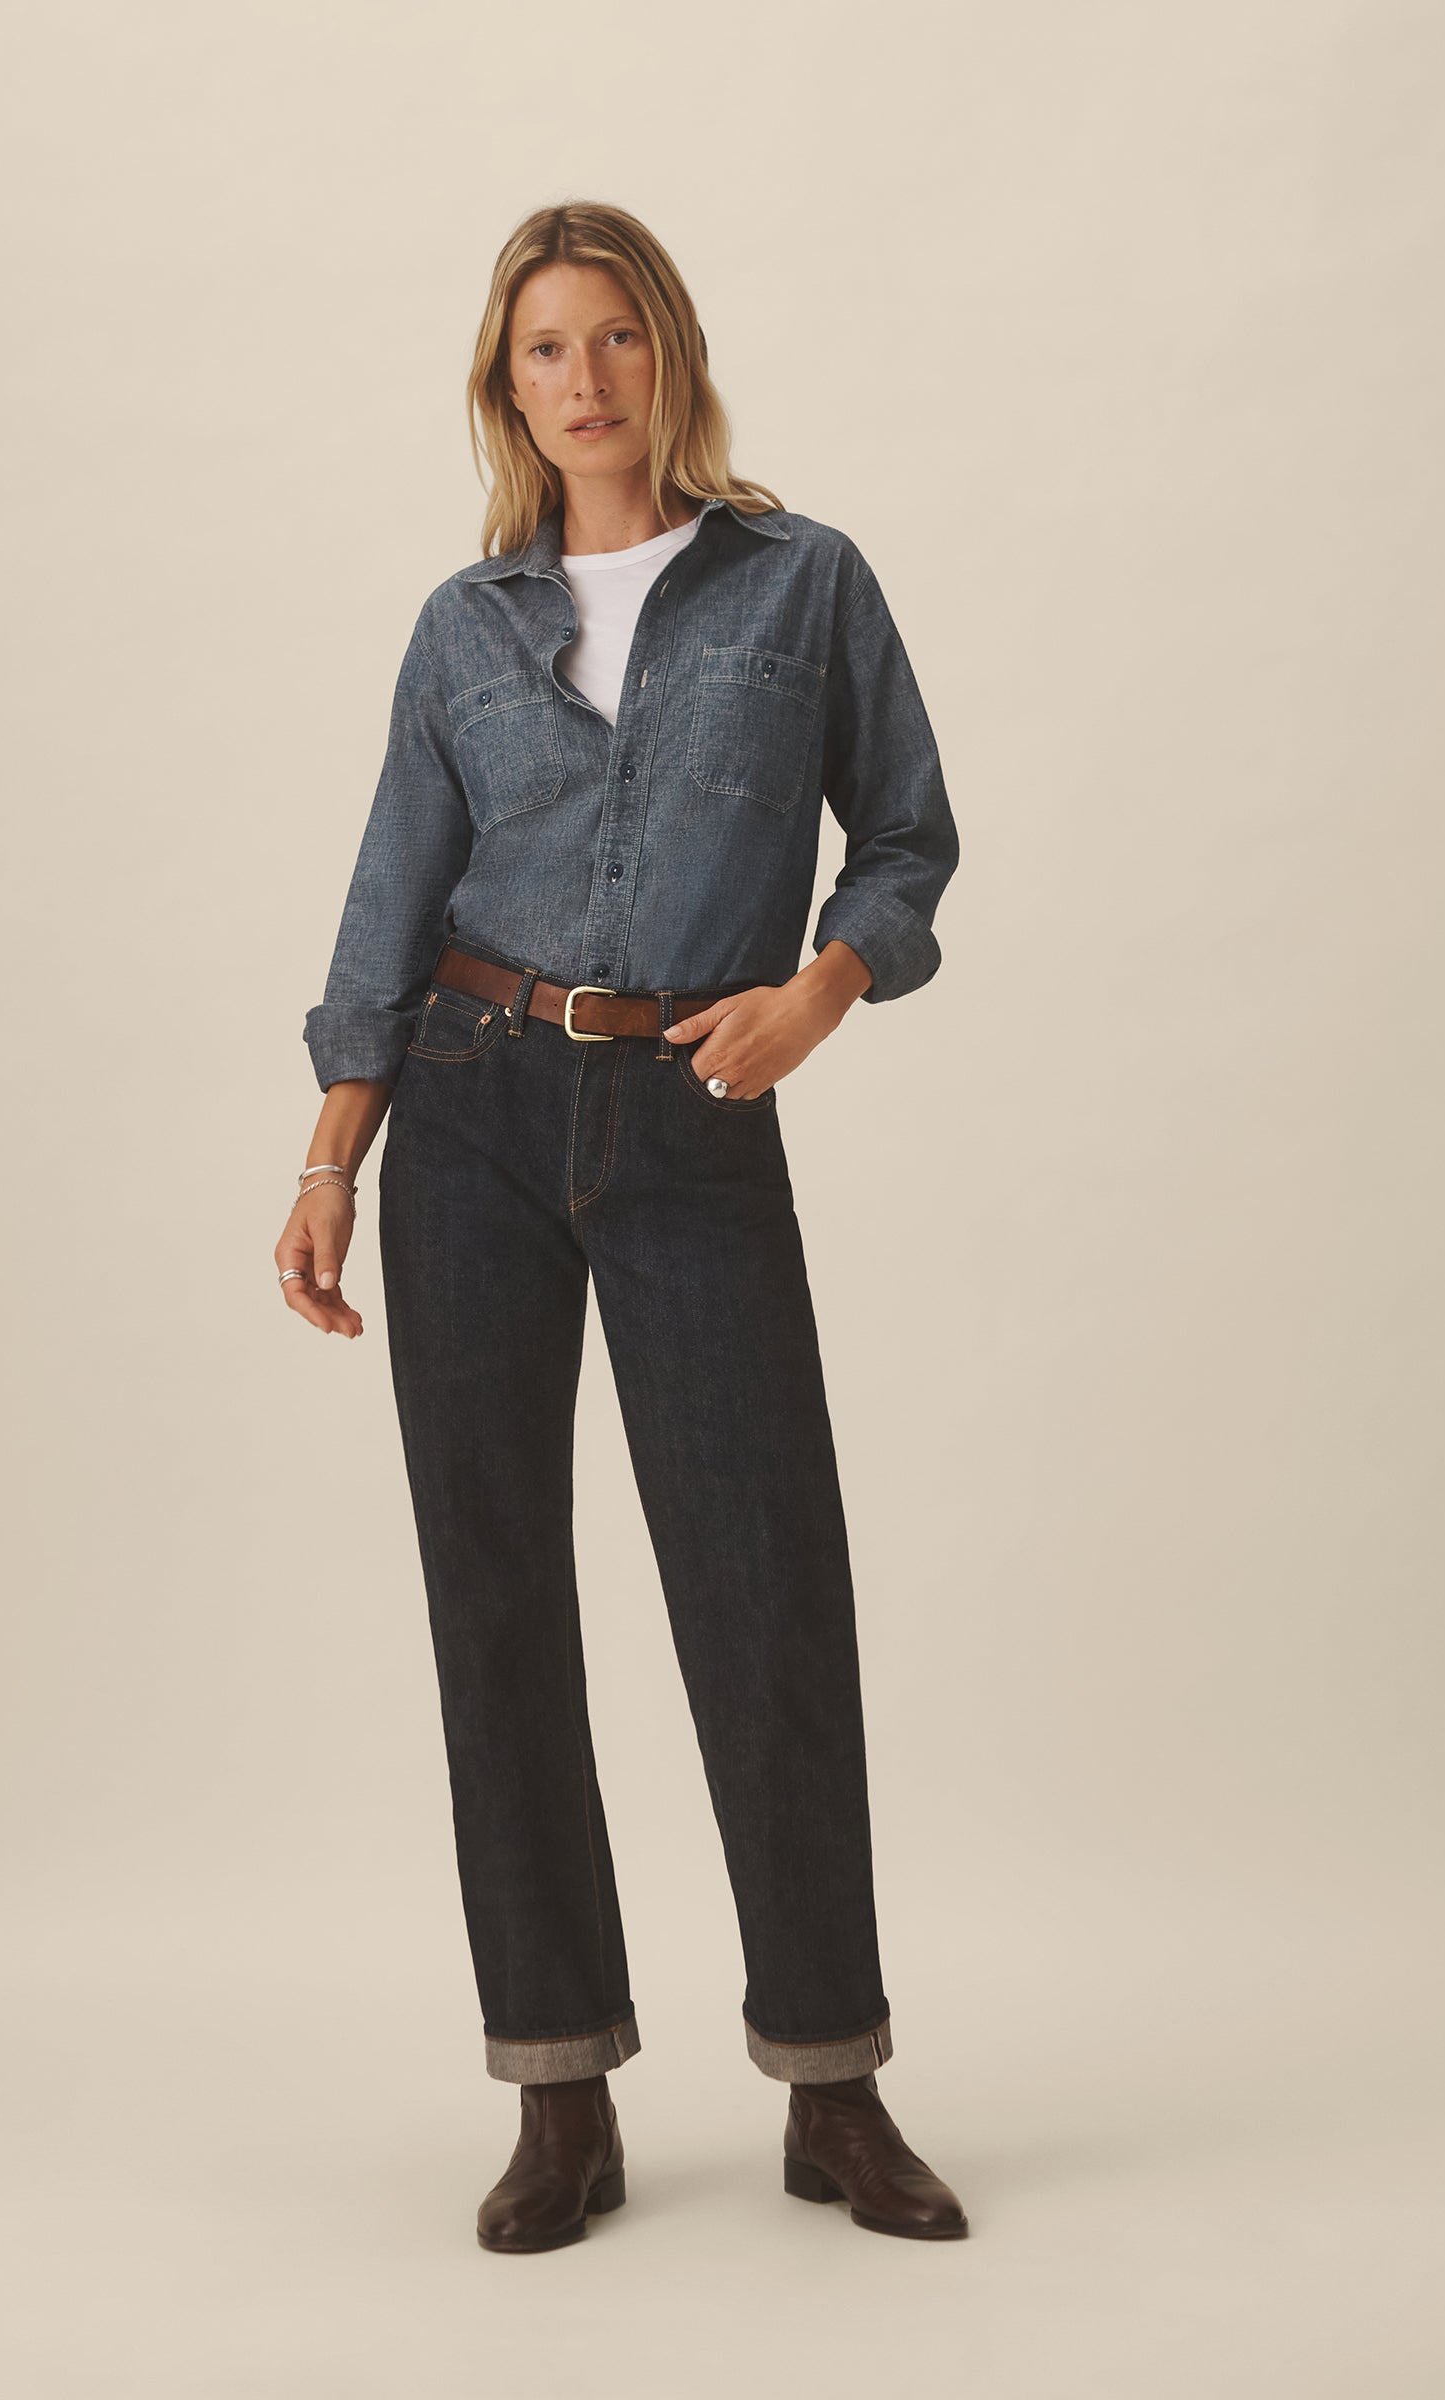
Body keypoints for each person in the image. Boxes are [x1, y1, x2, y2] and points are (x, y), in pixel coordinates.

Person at [276, 200, 968, 2252]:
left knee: (767, 1585)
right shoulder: (462, 627)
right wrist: (331, 1159)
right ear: (505, 389)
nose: (582, 381)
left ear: (672, 351)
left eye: (615, 338)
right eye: (542, 350)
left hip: (691, 1109)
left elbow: (907, 835)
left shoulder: (803, 582)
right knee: (495, 1592)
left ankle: (832, 2083)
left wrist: (821, 992)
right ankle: (558, 2091)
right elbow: (391, 900)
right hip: (471, 1107)